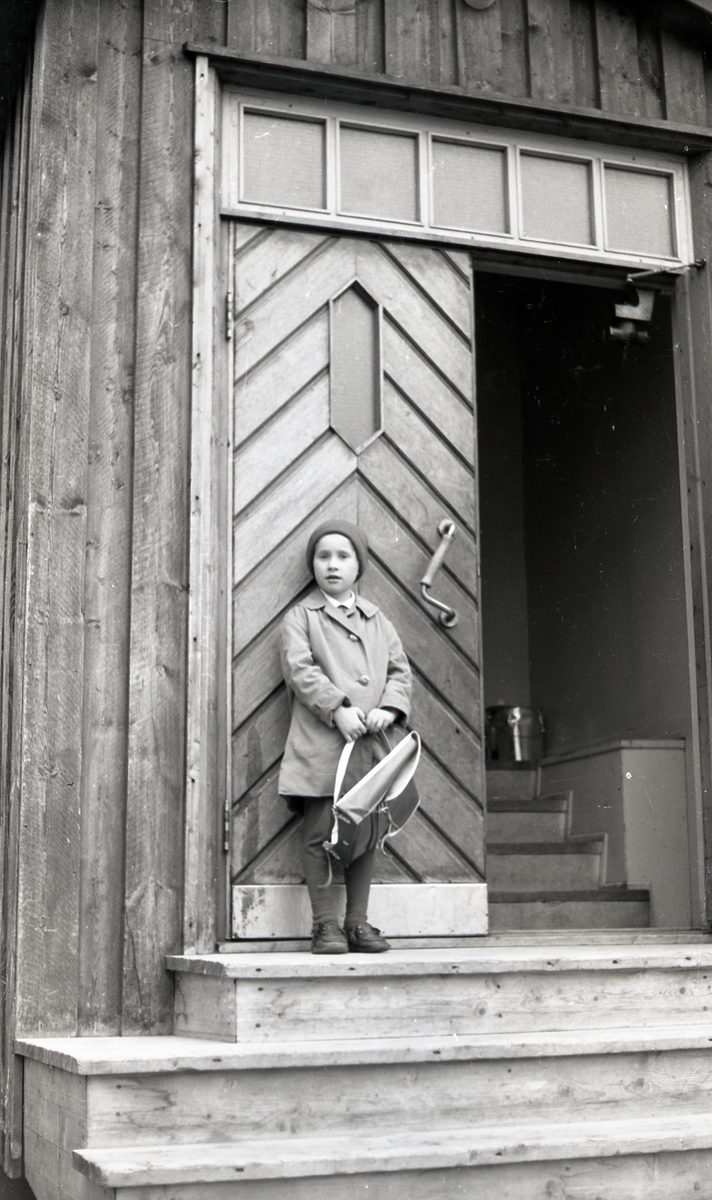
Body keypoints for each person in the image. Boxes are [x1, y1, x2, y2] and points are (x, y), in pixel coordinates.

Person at [278, 520, 412, 954]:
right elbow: (300, 670)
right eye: (323, 557)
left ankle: (357, 922)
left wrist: (388, 709)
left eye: (343, 556)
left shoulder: (378, 620)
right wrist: (337, 709)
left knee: (366, 833)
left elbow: (399, 671)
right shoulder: (302, 617)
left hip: (370, 747)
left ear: (359, 566)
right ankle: (324, 925)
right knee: (320, 832)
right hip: (322, 746)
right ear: (313, 565)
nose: (332, 565)